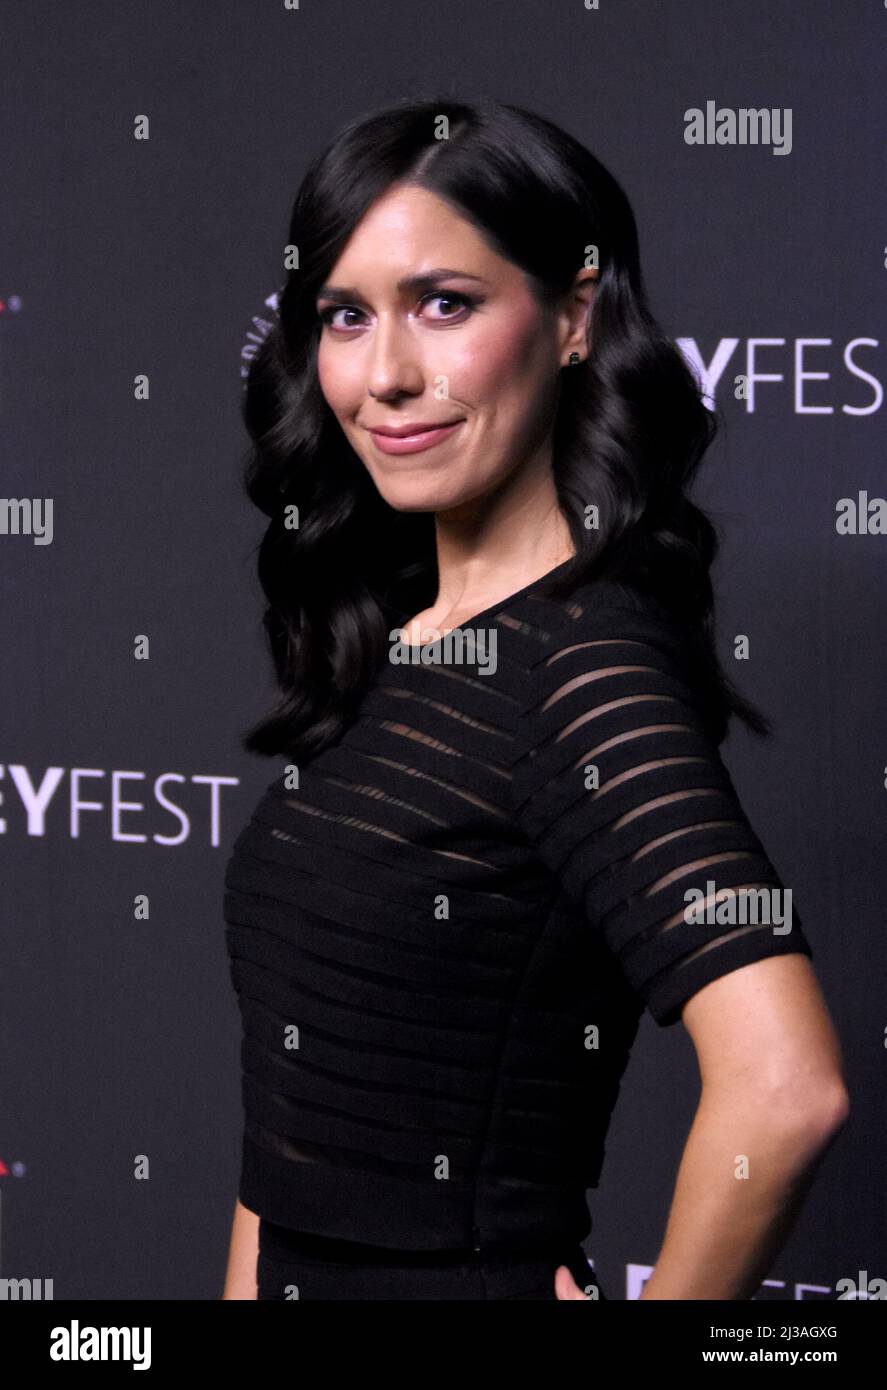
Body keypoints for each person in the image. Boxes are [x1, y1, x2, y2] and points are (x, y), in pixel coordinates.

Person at [221, 96, 848, 1301]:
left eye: (443, 304)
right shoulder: (403, 644)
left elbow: (787, 1088)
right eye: (345, 317)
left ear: (570, 318)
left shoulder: (580, 666)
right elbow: (296, 1141)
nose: (387, 374)